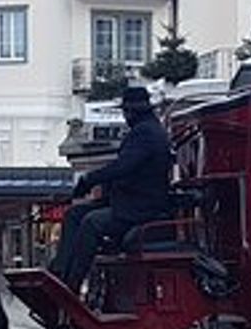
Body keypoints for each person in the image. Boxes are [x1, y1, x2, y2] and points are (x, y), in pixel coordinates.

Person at [50, 85, 172, 289]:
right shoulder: (147, 130)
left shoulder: (145, 133)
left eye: (125, 111)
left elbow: (123, 167)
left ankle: (71, 283)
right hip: (131, 202)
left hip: (140, 207)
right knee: (74, 214)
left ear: (132, 112)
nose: (124, 116)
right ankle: (59, 272)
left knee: (92, 222)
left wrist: (89, 180)